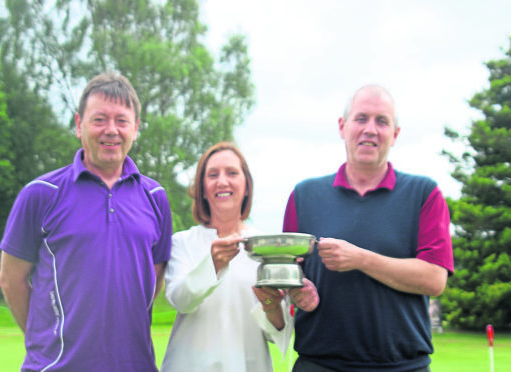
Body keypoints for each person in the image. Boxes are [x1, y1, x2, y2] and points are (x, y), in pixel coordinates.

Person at [0, 72, 172, 371]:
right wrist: (46, 342)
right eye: (99, 119)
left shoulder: (155, 197)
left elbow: (151, 280)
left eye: (121, 121)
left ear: (136, 128)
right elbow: (11, 279)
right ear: (79, 125)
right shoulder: (40, 194)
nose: (111, 130)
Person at [283, 84, 454, 372]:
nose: (370, 129)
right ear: (343, 126)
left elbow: (434, 279)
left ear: (395, 134)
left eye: (382, 121)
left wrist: (361, 259)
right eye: (361, 118)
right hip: (319, 364)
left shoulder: (424, 194)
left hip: (403, 366)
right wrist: (297, 288)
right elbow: (289, 271)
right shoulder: (304, 196)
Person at [161, 142, 319, 372]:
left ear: (246, 186)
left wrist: (271, 305)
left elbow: (277, 332)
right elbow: (181, 301)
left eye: (232, 173)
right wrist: (213, 265)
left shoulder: (267, 246)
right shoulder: (182, 243)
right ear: (202, 189)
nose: (222, 181)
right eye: (213, 174)